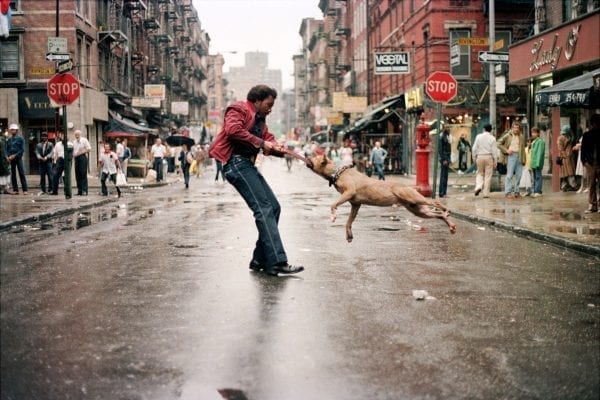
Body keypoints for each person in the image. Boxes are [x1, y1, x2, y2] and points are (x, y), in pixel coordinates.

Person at [208, 84, 305, 276]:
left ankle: (260, 259)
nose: (271, 108)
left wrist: (278, 147)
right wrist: (262, 143)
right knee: (263, 208)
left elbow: (269, 139)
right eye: (268, 104)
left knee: (274, 207)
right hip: (235, 163)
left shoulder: (261, 121)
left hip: (246, 164)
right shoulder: (239, 108)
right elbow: (233, 130)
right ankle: (277, 261)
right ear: (257, 101)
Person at [497, 120, 525, 199]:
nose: (516, 129)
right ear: (512, 128)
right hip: (511, 156)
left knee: (519, 175)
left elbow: (522, 149)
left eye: (517, 128)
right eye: (515, 127)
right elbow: (498, 143)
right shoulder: (508, 135)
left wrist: (524, 159)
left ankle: (517, 191)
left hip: (519, 156)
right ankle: (508, 192)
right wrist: (506, 150)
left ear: (519, 129)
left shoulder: (521, 136)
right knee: (509, 175)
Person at [472, 123, 498, 198]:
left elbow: (474, 148)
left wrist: (474, 157)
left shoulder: (478, 137)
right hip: (489, 157)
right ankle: (486, 193)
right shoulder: (492, 138)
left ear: (483, 129)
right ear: (491, 130)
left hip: (480, 156)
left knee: (480, 173)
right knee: (488, 175)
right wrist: (495, 161)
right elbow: (494, 151)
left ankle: (478, 187)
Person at [580, 114, 600, 213]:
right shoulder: (587, 135)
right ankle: (593, 205)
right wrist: (584, 162)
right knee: (591, 184)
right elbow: (583, 150)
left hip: (598, 162)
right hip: (591, 163)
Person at [6, 123, 28, 194]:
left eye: (13, 130)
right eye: (11, 130)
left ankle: (25, 190)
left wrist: (15, 155)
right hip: (11, 159)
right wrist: (8, 156)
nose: (12, 131)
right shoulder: (9, 140)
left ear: (16, 130)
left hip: (18, 158)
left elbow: (22, 150)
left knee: (21, 173)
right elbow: (7, 149)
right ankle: (15, 189)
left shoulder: (21, 139)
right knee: (13, 174)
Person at [557, 124, 577, 192]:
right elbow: (561, 148)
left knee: (565, 173)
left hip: (565, 156)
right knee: (569, 172)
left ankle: (565, 185)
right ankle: (572, 185)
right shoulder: (568, 137)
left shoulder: (562, 137)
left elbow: (560, 148)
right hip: (567, 156)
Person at [73, 129, 91, 196]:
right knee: (77, 175)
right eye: (75, 135)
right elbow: (74, 151)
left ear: (80, 135)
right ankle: (79, 190)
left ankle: (84, 190)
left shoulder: (84, 140)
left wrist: (81, 152)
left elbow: (89, 149)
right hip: (76, 158)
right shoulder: (74, 141)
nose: (76, 136)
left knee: (83, 174)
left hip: (82, 157)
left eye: (78, 134)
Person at [529, 127, 546, 198]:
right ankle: (535, 191)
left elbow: (540, 153)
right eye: (532, 132)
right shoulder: (534, 141)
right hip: (533, 162)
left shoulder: (540, 141)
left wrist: (538, 162)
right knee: (535, 177)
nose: (533, 134)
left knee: (538, 177)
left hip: (537, 162)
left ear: (538, 133)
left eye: (535, 132)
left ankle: (538, 191)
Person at [437, 128, 452, 198]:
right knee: (443, 176)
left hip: (446, 158)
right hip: (445, 158)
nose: (450, 131)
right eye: (449, 130)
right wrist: (444, 159)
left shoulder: (446, 137)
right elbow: (441, 150)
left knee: (445, 176)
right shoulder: (442, 138)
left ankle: (444, 192)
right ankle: (442, 192)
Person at [51, 131, 65, 195]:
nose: (63, 137)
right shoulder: (57, 144)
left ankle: (66, 190)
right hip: (59, 160)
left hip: (67, 160)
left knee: (66, 176)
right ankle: (54, 191)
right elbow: (55, 153)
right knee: (55, 175)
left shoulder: (70, 144)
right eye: (62, 136)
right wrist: (54, 162)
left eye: (64, 136)